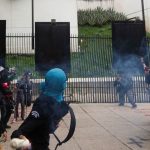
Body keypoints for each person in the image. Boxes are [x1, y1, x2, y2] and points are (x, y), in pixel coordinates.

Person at [11, 68, 69, 150]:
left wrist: (17, 135)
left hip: (38, 142)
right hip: (40, 143)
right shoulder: (59, 106)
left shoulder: (48, 105)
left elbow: (26, 129)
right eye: (64, 81)